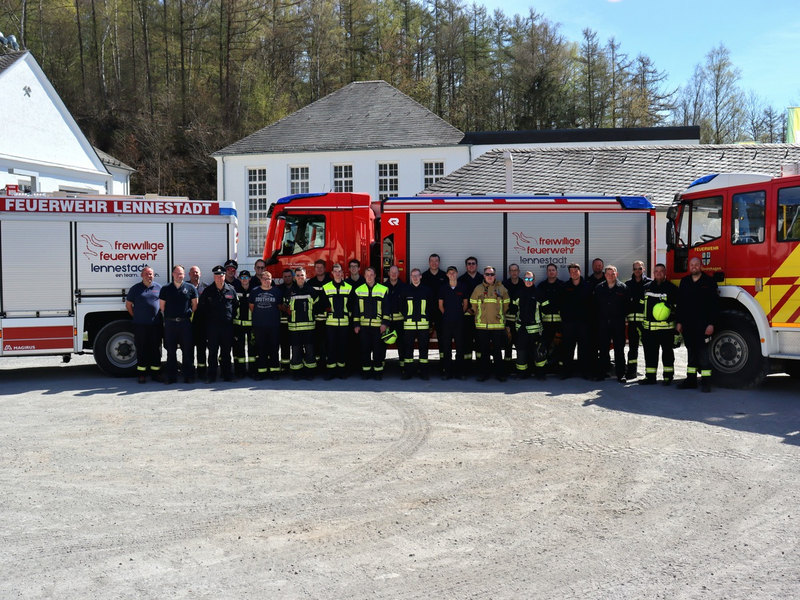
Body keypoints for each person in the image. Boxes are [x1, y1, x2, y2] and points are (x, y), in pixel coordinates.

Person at [676, 257, 718, 392]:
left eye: (696, 265)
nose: (694, 267)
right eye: (691, 265)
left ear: (701, 266)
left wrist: (711, 324)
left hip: (703, 325)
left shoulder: (709, 282)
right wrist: (679, 322)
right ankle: (691, 380)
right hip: (688, 325)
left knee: (703, 353)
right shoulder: (685, 282)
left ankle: (706, 382)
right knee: (691, 352)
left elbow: (714, 306)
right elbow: (680, 304)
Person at [640, 263, 679, 386]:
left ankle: (668, 377)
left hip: (666, 329)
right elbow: (641, 307)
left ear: (665, 272)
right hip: (649, 329)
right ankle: (650, 377)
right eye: (656, 271)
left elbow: (678, 308)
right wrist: (641, 326)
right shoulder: (646, 288)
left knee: (667, 353)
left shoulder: (672, 289)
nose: (659, 273)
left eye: (661, 271)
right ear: (653, 272)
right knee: (650, 354)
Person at [158, 265, 198, 384]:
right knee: (171, 351)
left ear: (184, 275)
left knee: (187, 351)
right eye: (176, 273)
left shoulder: (190, 288)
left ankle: (188, 376)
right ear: (172, 274)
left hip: (185, 323)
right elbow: (162, 307)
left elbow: (195, 305)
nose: (178, 276)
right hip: (170, 323)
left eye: (181, 274)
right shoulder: (165, 288)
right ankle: (171, 377)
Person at [200, 265, 239, 383]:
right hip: (212, 327)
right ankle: (211, 376)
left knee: (226, 352)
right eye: (217, 276)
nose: (219, 278)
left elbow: (236, 306)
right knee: (212, 352)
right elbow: (202, 309)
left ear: (224, 276)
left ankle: (227, 375)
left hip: (227, 327)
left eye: (221, 275)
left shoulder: (231, 289)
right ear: (214, 276)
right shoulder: (208, 291)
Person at [471, 266, 510, 382]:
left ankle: (499, 374)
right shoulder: (478, 289)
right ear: (484, 276)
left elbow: (506, 305)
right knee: (484, 351)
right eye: (487, 274)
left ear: (495, 276)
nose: (489, 276)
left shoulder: (501, 289)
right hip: (482, 325)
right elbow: (473, 304)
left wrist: (500, 316)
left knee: (497, 351)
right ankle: (484, 374)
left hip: (497, 325)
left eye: (492, 274)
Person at [126, 266, 163, 383]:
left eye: (151, 274)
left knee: (155, 349)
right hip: (140, 325)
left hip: (156, 325)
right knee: (141, 349)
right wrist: (136, 316)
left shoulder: (158, 287)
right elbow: (128, 305)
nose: (149, 276)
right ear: (142, 276)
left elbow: (163, 304)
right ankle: (142, 374)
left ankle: (155, 373)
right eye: (147, 274)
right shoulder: (135, 289)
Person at [593, 265, 629, 382]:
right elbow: (595, 306)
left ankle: (621, 374)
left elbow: (627, 306)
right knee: (603, 350)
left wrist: (620, 316)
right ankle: (601, 374)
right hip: (603, 323)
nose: (610, 276)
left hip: (618, 323)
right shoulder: (599, 288)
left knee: (619, 350)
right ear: (604, 275)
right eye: (608, 274)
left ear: (616, 274)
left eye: (612, 273)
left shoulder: (623, 288)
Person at [353, 267, 390, 380]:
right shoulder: (359, 290)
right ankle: (366, 372)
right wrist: (356, 324)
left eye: (371, 275)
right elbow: (356, 309)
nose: (369, 277)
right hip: (364, 327)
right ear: (364, 276)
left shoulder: (383, 289)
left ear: (375, 276)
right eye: (367, 275)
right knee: (365, 350)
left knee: (378, 351)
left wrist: (384, 323)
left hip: (378, 327)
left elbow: (387, 308)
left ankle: (378, 373)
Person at [558, 262, 591, 380]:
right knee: (567, 348)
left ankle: (585, 372)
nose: (574, 273)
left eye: (576, 271)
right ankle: (567, 372)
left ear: (580, 271)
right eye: (571, 272)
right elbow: (560, 303)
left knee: (584, 349)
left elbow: (592, 304)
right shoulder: (565, 286)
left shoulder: (587, 286)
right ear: (569, 273)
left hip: (584, 323)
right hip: (569, 323)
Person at [249, 270, 284, 380]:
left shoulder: (277, 292)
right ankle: (262, 372)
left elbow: (279, 307)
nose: (266, 281)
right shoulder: (254, 291)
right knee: (261, 349)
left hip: (273, 325)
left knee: (274, 348)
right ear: (260, 280)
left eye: (268, 279)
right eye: (264, 279)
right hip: (259, 326)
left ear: (271, 280)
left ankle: (274, 372)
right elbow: (251, 307)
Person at [322, 263, 353, 380]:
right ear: (332, 273)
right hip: (330, 324)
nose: (337, 274)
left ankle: (341, 371)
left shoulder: (348, 287)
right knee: (331, 348)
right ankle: (331, 371)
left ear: (342, 273)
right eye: (335, 271)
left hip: (345, 323)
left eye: (339, 271)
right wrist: (327, 312)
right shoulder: (326, 287)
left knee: (343, 348)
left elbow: (351, 306)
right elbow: (323, 305)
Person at [287, 267, 318, 380]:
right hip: (294, 328)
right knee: (296, 352)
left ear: (306, 277)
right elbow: (285, 307)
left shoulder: (311, 291)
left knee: (310, 351)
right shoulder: (289, 292)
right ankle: (296, 373)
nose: (300, 277)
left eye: (302, 275)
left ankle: (310, 373)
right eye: (298, 275)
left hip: (309, 327)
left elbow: (317, 307)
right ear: (295, 277)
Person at [401, 268, 433, 380]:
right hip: (408, 325)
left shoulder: (427, 290)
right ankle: (407, 372)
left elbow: (431, 307)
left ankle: (424, 372)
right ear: (410, 277)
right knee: (408, 349)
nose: (415, 278)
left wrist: (429, 322)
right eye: (413, 276)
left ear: (421, 276)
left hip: (423, 325)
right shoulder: (405, 290)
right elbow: (401, 306)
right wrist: (406, 316)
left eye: (417, 275)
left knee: (423, 349)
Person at [514, 271, 546, 380]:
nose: (528, 281)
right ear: (523, 280)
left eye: (530, 279)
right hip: (522, 329)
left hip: (536, 329)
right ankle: (522, 373)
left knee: (538, 353)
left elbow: (546, 309)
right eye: (526, 279)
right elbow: (513, 309)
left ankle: (540, 373)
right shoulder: (518, 293)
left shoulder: (539, 293)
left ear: (534, 280)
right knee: (521, 352)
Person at [438, 265, 468, 380]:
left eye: (454, 272)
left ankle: (460, 372)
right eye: (450, 272)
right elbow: (440, 305)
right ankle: (448, 372)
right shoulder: (443, 288)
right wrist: (447, 314)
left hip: (459, 322)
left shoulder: (462, 288)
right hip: (446, 323)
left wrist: (459, 313)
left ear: (457, 274)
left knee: (460, 347)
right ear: (447, 275)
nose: (452, 274)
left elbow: (465, 304)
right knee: (447, 348)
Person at [624, 260, 651, 380]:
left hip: (645, 322)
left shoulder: (650, 283)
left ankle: (650, 372)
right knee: (632, 348)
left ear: (644, 269)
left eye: (639, 268)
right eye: (635, 269)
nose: (637, 271)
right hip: (632, 322)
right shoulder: (628, 284)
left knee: (648, 347)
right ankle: (631, 371)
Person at [421, 253, 447, 366]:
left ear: (439, 262)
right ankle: (424, 366)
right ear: (428, 262)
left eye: (436, 261)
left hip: (441, 313)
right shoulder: (424, 276)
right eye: (432, 261)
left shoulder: (444, 276)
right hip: (427, 313)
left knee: (442, 339)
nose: (434, 263)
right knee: (425, 339)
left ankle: (443, 365)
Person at [537, 263, 563, 371]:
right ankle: (544, 368)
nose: (551, 272)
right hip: (545, 323)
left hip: (559, 323)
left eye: (553, 270)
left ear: (556, 272)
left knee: (560, 346)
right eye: (549, 270)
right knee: (544, 345)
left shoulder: (562, 285)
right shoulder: (541, 286)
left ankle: (560, 369)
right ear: (546, 272)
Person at [458, 256, 484, 364]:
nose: (471, 265)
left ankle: (480, 367)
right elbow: (458, 298)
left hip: (481, 316)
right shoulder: (460, 280)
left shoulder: (483, 279)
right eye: (469, 263)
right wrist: (466, 309)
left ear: (477, 265)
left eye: (473, 263)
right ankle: (466, 367)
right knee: (466, 342)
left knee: (480, 342)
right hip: (466, 316)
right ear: (466, 266)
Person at [308, 259, 332, 372]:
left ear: (325, 268)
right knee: (316, 343)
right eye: (317, 267)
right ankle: (317, 366)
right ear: (314, 269)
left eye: (321, 267)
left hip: (328, 320)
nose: (319, 269)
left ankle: (327, 365)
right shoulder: (310, 283)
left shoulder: (330, 282)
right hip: (315, 319)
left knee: (328, 343)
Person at [233, 270, 257, 378]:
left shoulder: (254, 291)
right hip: (238, 325)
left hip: (251, 325)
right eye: (242, 278)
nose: (244, 280)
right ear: (239, 279)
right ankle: (240, 371)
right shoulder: (235, 290)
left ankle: (253, 371)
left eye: (246, 277)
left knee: (252, 349)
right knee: (239, 348)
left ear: (250, 278)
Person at [384, 265, 407, 375]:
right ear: (388, 274)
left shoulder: (404, 287)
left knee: (402, 345)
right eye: (391, 272)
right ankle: (381, 367)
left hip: (400, 322)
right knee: (383, 344)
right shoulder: (383, 287)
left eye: (395, 272)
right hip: (387, 322)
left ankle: (403, 367)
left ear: (398, 274)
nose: (393, 274)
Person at [187, 265, 209, 379]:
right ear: (189, 274)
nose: (195, 274)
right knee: (189, 349)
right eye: (193, 272)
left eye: (197, 272)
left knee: (201, 349)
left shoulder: (205, 287)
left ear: (200, 274)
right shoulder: (184, 286)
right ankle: (190, 372)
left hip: (202, 323)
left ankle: (201, 371)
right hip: (188, 324)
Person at [502, 263, 524, 371]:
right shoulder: (504, 285)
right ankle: (507, 368)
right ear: (509, 272)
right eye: (512, 270)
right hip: (508, 320)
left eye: (516, 270)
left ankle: (520, 367)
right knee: (508, 344)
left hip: (521, 320)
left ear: (519, 272)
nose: (514, 272)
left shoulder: (524, 284)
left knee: (520, 344)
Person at [277, 268, 294, 372]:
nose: (287, 279)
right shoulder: (279, 289)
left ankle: (297, 365)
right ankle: (285, 366)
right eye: (285, 277)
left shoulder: (297, 287)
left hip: (296, 321)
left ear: (292, 276)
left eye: (289, 276)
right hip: (283, 322)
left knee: (297, 346)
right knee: (284, 345)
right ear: (282, 278)